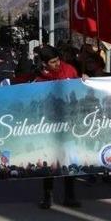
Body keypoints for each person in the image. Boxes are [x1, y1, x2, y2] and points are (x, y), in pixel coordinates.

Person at [34, 46, 80, 209]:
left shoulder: (70, 70)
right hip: (50, 127)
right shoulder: (39, 79)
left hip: (69, 125)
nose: (57, 64)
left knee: (69, 162)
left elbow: (78, 91)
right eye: (52, 62)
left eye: (57, 60)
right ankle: (47, 197)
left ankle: (70, 196)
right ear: (45, 64)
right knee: (50, 163)